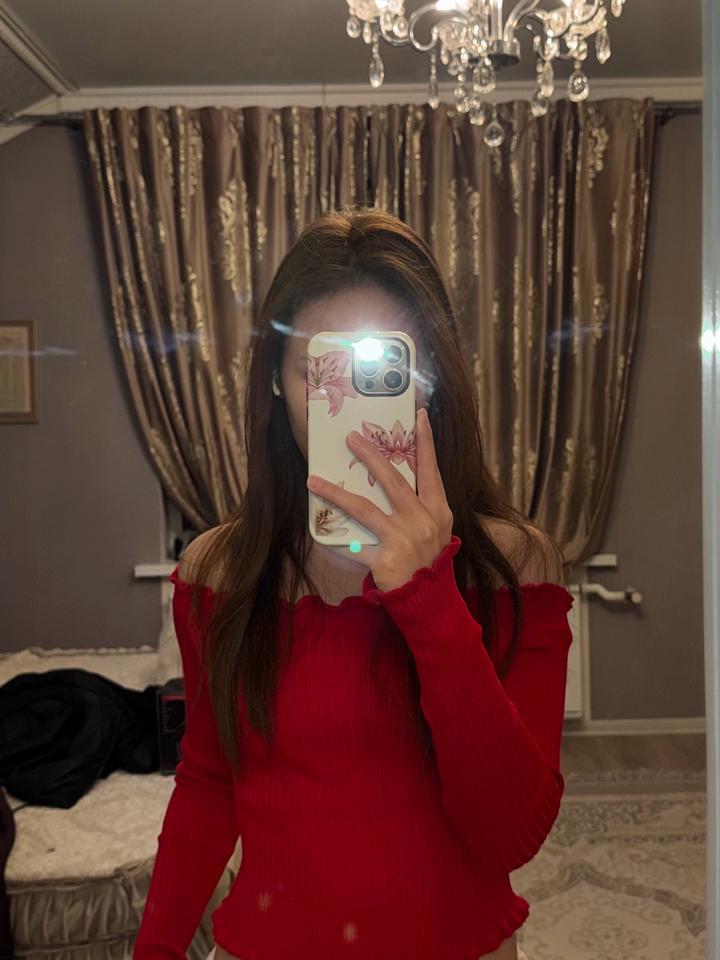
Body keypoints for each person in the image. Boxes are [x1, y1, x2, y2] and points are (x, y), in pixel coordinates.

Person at [133, 207, 573, 960]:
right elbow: (208, 779)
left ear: (428, 383)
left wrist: (430, 599)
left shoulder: (514, 566)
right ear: (277, 384)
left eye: (381, 375)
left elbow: (511, 835)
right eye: (320, 373)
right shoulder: (219, 572)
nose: (351, 410)